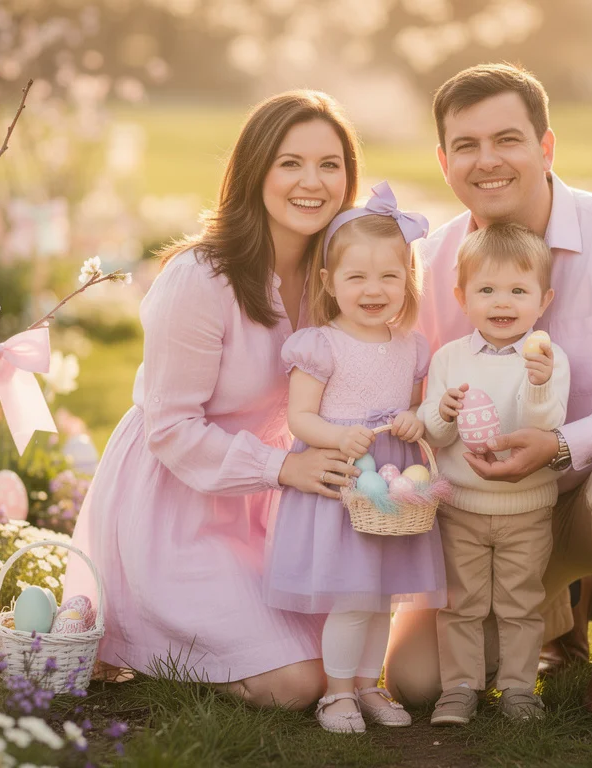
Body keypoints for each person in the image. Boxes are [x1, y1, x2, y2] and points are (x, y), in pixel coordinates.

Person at [384, 63, 592, 713]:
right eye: (466, 145)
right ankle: (563, 609)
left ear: (546, 147)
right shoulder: (432, 265)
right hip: (488, 516)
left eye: (507, 139)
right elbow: (409, 399)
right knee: (420, 682)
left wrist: (565, 443)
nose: (487, 161)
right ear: (444, 159)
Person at [64, 90, 365, 709]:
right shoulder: (201, 278)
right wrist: (282, 468)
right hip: (175, 503)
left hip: (268, 505)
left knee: (352, 656)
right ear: (254, 172)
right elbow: (171, 429)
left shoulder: (336, 278)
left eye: (329, 165)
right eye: (290, 163)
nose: (312, 182)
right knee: (295, 684)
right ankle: (151, 651)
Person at [263, 181, 447, 733]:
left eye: (390, 276)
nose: (374, 289)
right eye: (357, 277)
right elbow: (300, 418)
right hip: (343, 480)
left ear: (407, 280)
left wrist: (415, 421)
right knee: (350, 597)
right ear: (329, 281)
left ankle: (370, 685)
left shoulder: (411, 346)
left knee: (383, 597)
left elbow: (413, 409)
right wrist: (334, 438)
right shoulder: (320, 344)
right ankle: (336, 693)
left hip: (391, 486)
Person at [418, 222, 571, 725]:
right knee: (462, 603)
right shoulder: (449, 359)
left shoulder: (548, 359)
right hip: (460, 508)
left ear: (543, 299)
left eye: (518, 291)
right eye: (486, 289)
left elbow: (544, 427)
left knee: (519, 603)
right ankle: (459, 687)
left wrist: (542, 384)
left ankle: (518, 688)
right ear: (462, 297)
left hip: (526, 510)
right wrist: (441, 410)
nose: (502, 302)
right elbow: (435, 435)